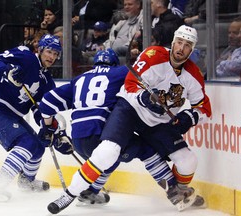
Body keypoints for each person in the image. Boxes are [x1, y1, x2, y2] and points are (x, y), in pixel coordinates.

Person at [46, 25, 212, 214]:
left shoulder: (194, 74)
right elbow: (131, 84)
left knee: (188, 160)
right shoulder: (153, 55)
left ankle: (179, 193)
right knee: (108, 151)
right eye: (179, 43)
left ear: (193, 49)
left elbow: (204, 108)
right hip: (130, 110)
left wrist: (189, 117)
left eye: (187, 45)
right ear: (173, 42)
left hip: (157, 121)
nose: (181, 48)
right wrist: (144, 98)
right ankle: (69, 194)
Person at [0, 34, 62, 201]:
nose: (52, 57)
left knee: (38, 146)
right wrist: (6, 71)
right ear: (40, 49)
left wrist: (48, 128)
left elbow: (39, 110)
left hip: (11, 115)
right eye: (49, 52)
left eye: (55, 54)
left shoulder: (48, 82)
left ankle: (26, 181)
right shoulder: (25, 56)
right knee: (27, 143)